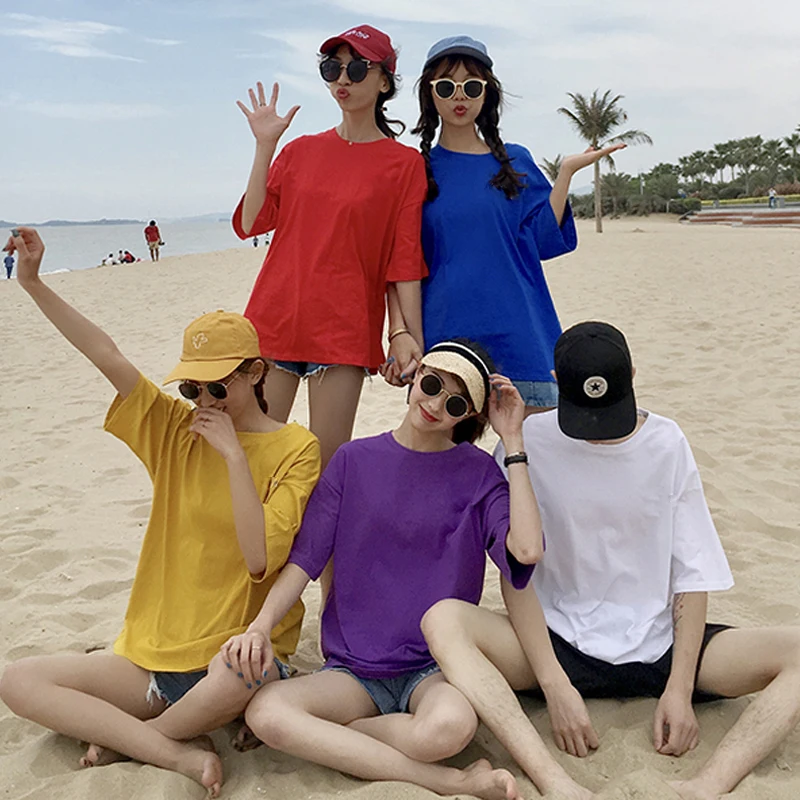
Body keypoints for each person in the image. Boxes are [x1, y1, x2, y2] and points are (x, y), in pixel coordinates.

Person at [0, 228, 321, 797]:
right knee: (18, 681)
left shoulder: (297, 448)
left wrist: (234, 457)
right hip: (152, 654)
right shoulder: (176, 429)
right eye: (193, 389)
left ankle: (137, 740)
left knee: (240, 671)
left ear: (256, 372)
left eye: (218, 387)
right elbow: (107, 355)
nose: (204, 402)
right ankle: (170, 748)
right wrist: (32, 283)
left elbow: (258, 559)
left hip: (233, 656)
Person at [422, 321, 800, 800]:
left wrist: (680, 690)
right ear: (556, 382)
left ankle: (707, 786)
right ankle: (554, 781)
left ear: (633, 376)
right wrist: (555, 686)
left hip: (659, 643)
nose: (598, 435)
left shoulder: (666, 443)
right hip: (557, 645)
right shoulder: (525, 442)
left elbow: (692, 570)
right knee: (444, 620)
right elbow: (517, 572)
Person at [220, 340, 544, 799]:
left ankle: (343, 737)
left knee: (450, 729)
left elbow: (526, 550)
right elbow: (304, 561)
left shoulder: (479, 474)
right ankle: (448, 782)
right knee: (266, 713)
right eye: (431, 385)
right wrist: (260, 626)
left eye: (455, 403)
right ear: (416, 376)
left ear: (468, 415)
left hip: (433, 668)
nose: (435, 405)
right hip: (353, 670)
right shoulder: (352, 460)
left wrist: (513, 442)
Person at [385, 36, 625, 412]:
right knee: (444, 448)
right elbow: (400, 261)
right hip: (445, 337)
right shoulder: (415, 170)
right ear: (430, 94)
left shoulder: (514, 161)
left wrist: (564, 175)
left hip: (520, 332)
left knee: (530, 446)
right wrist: (399, 333)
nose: (459, 96)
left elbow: (544, 241)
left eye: (472, 86)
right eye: (446, 86)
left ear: (488, 93)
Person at [231, 24, 428, 471]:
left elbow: (403, 260)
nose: (343, 78)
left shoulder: (404, 164)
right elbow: (249, 223)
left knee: (324, 468)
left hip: (345, 330)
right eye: (332, 68)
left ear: (384, 82)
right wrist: (265, 147)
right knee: (254, 462)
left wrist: (410, 339)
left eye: (357, 69)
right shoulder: (299, 151)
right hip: (274, 321)